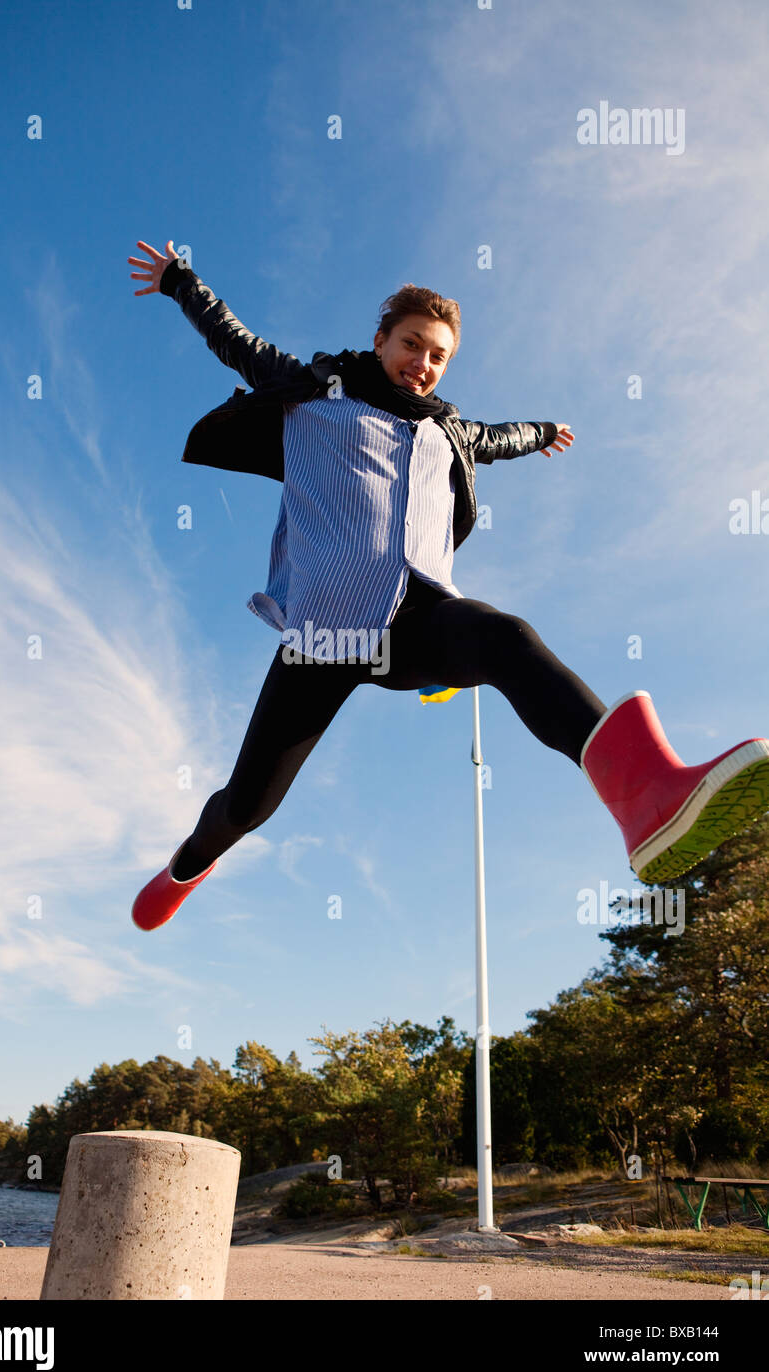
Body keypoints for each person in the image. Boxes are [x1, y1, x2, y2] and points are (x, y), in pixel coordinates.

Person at [127, 240, 769, 932]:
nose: (423, 363)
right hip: (323, 634)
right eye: (411, 344)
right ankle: (188, 864)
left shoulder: (448, 431)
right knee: (248, 806)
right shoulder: (312, 393)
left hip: (415, 622)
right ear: (379, 340)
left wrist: (543, 431)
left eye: (438, 356)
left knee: (505, 637)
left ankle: (646, 795)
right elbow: (236, 341)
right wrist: (179, 280)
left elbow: (494, 437)